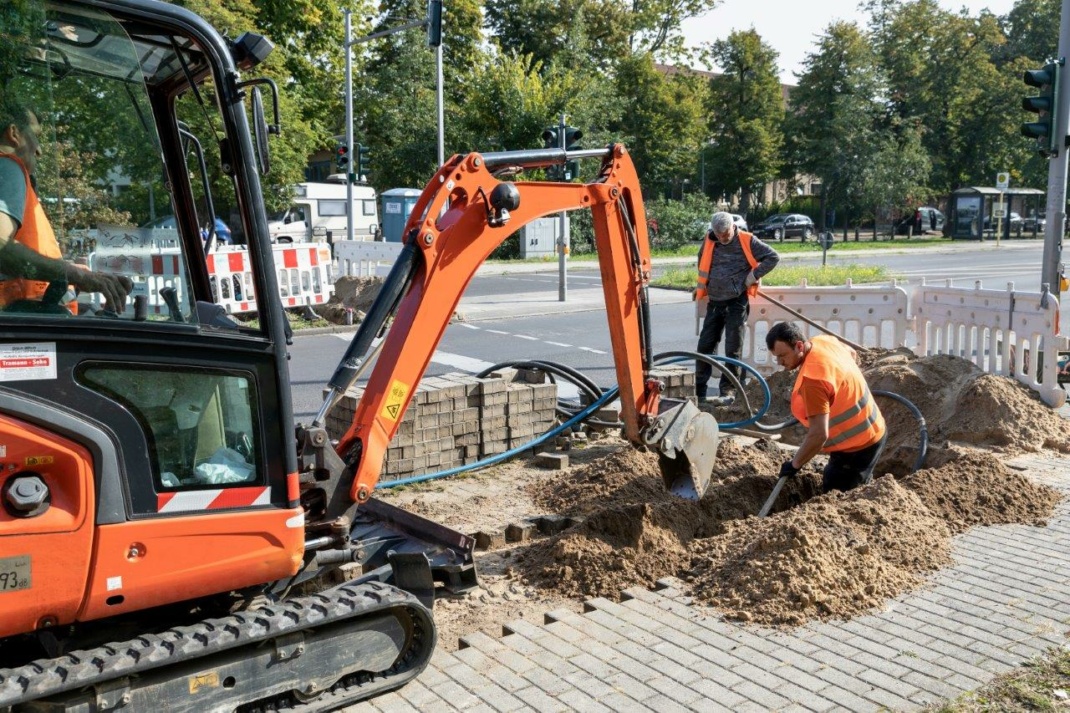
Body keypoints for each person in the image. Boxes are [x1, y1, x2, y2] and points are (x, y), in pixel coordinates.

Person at [0, 99, 130, 313]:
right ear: (14, 134)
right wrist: (74, 274)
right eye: (36, 136)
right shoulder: (8, 167)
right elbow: (2, 249)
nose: (39, 150)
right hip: (22, 330)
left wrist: (61, 271)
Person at [765, 322, 888, 493]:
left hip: (857, 447)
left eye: (783, 355)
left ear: (799, 345)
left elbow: (819, 435)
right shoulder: (824, 341)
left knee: (836, 495)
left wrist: (794, 464)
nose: (779, 362)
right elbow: (851, 353)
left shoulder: (813, 381)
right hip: (873, 428)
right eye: (776, 357)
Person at [694, 210, 779, 405]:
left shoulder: (747, 240)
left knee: (733, 348)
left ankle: (728, 391)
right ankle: (699, 392)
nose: (723, 238)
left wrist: (751, 277)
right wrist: (706, 285)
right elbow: (703, 262)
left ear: (733, 227)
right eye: (719, 235)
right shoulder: (709, 240)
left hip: (736, 301)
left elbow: (773, 257)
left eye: (726, 234)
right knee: (705, 346)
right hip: (715, 301)